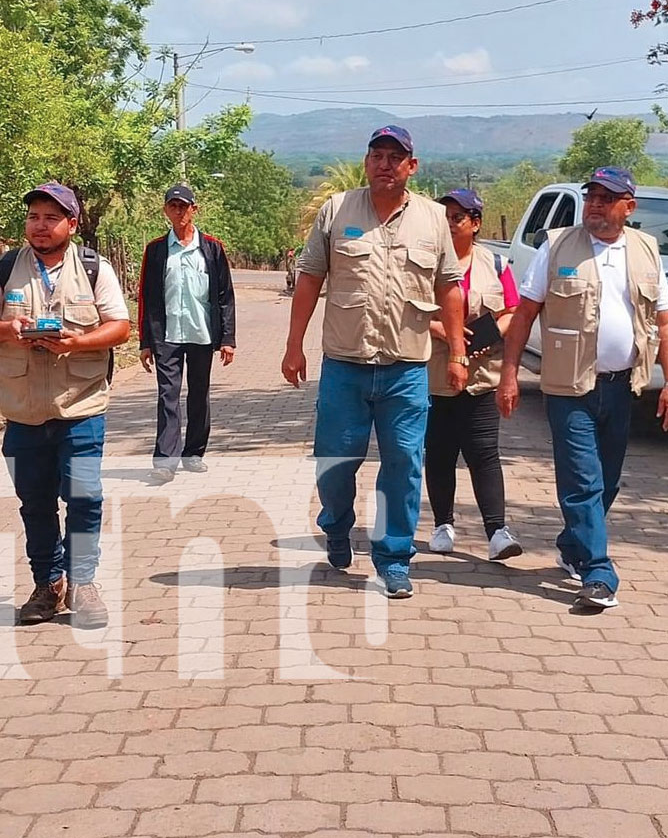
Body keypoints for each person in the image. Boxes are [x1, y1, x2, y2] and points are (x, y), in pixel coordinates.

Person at [281, 125, 468, 599]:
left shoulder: (432, 220)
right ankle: (337, 524)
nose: (385, 164)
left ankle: (393, 557)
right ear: (367, 162)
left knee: (404, 463)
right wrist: (293, 343)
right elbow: (309, 279)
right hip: (345, 365)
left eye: (395, 157)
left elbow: (449, 286)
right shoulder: (337, 210)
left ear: (412, 165)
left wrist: (459, 354)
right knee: (336, 461)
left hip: (407, 368)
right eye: (376, 155)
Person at [498, 166, 668, 611]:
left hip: (622, 388)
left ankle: (571, 544)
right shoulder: (557, 245)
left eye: (607, 198)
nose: (596, 205)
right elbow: (523, 315)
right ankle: (599, 573)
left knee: (608, 481)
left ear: (629, 206)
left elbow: (663, 322)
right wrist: (509, 374)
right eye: (592, 197)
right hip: (569, 387)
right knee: (583, 481)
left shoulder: (646, 250)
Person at [0, 182, 132, 627]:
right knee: (34, 502)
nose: (40, 226)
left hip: (81, 407)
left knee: (84, 497)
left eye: (51, 218)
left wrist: (77, 343)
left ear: (71, 224)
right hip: (22, 411)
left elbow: (120, 327)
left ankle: (83, 583)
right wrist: (9, 329)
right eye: (33, 217)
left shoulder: (96, 270)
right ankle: (47, 584)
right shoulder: (6, 269)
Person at [424, 188, 524, 561]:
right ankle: (442, 525)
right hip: (435, 372)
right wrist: (443, 333)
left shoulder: (495, 266)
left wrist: (487, 336)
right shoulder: (425, 263)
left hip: (483, 376)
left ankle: (497, 531)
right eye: (445, 217)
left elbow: (513, 311)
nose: (450, 224)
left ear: (475, 223)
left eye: (458, 218)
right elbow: (408, 312)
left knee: (484, 452)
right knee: (439, 452)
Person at [136, 183, 237, 484]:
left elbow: (224, 296)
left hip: (202, 333)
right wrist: (145, 342)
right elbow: (147, 298)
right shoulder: (155, 250)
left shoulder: (212, 248)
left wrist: (228, 340)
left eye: (184, 206)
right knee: (167, 395)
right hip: (166, 335)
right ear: (166, 210)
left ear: (194, 209)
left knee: (198, 395)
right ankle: (165, 461)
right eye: (172, 206)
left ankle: (194, 454)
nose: (178, 211)